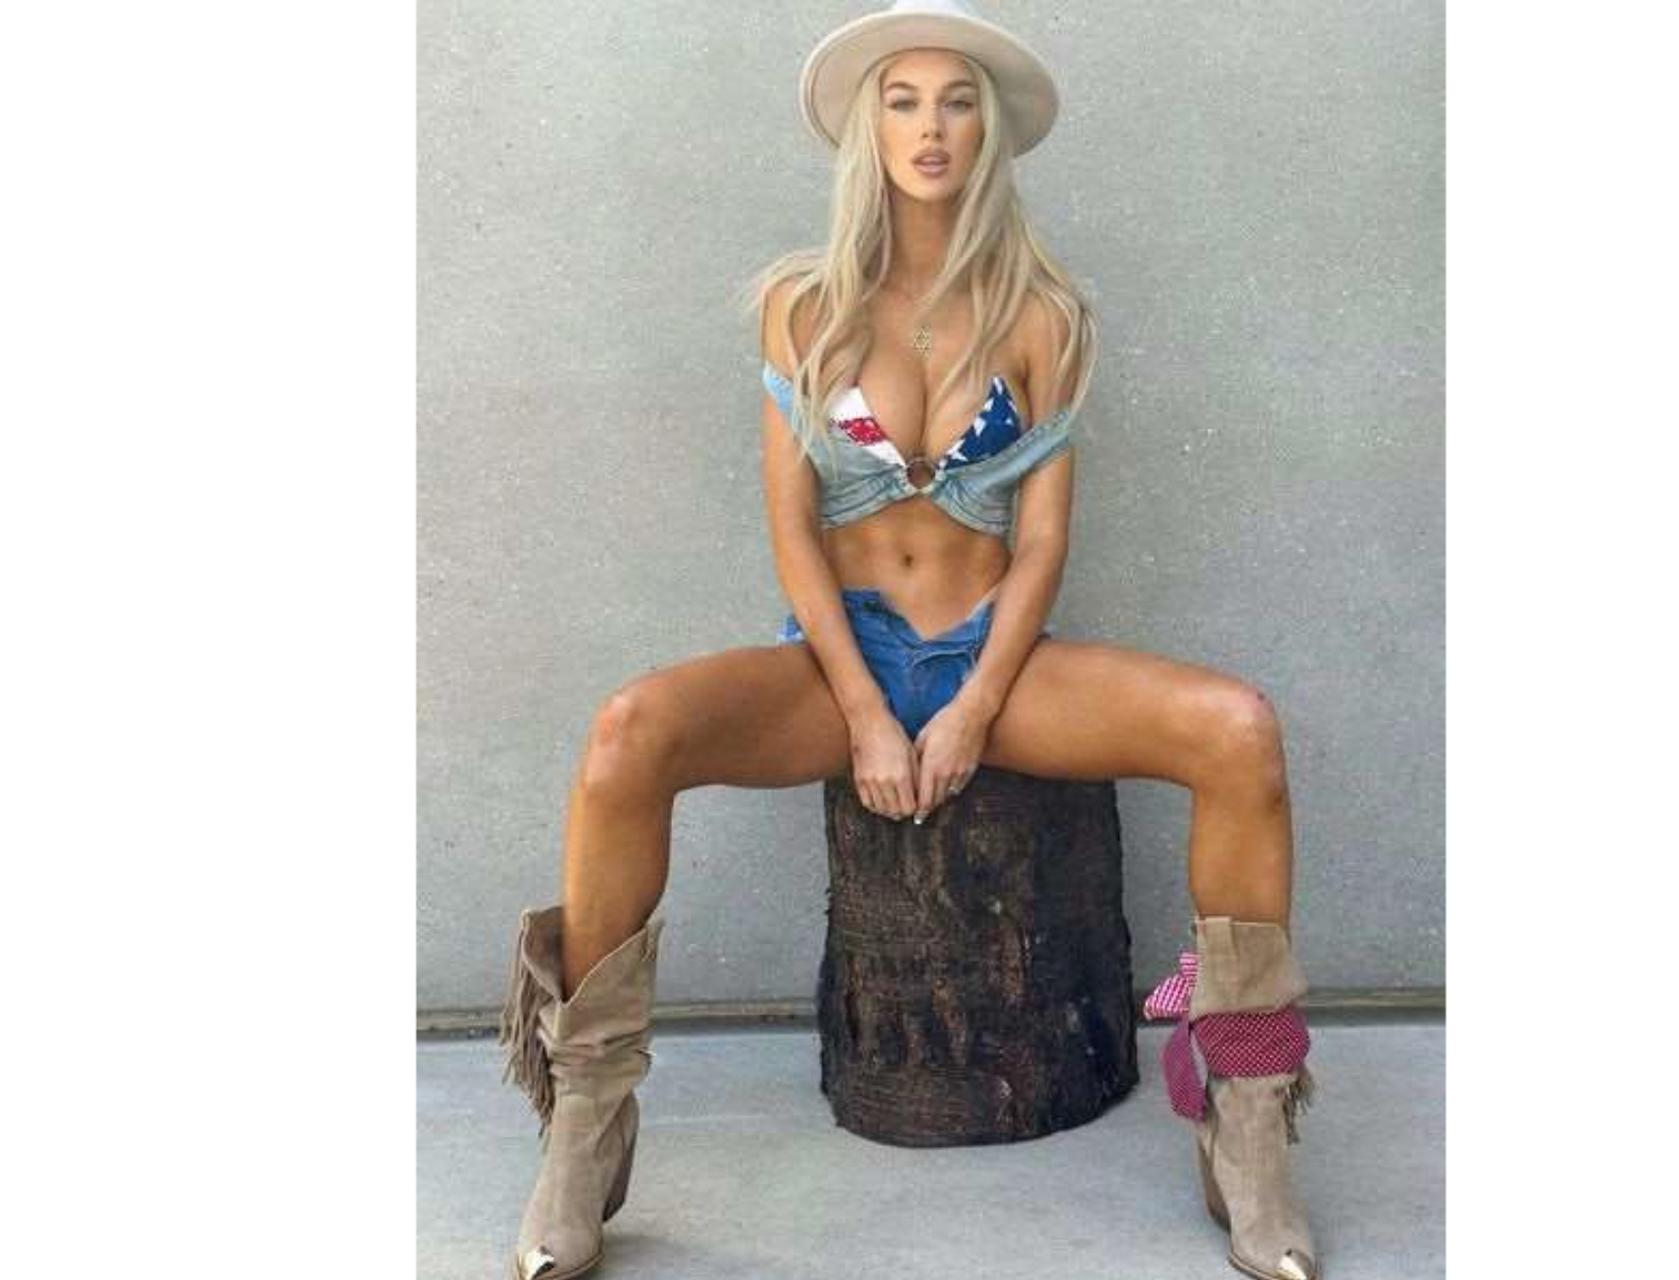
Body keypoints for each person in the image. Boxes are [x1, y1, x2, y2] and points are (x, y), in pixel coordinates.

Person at [496, 3, 1321, 1278]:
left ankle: (1249, 1119)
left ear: (988, 131)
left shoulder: (1042, 313)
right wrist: (869, 712)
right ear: (866, 131)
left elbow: (1042, 543)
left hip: (991, 649)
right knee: (627, 733)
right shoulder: (803, 306)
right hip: (850, 656)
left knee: (1239, 730)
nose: (930, 127)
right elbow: (792, 530)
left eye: (956, 101)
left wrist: (976, 703)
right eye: (903, 101)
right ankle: (586, 1121)